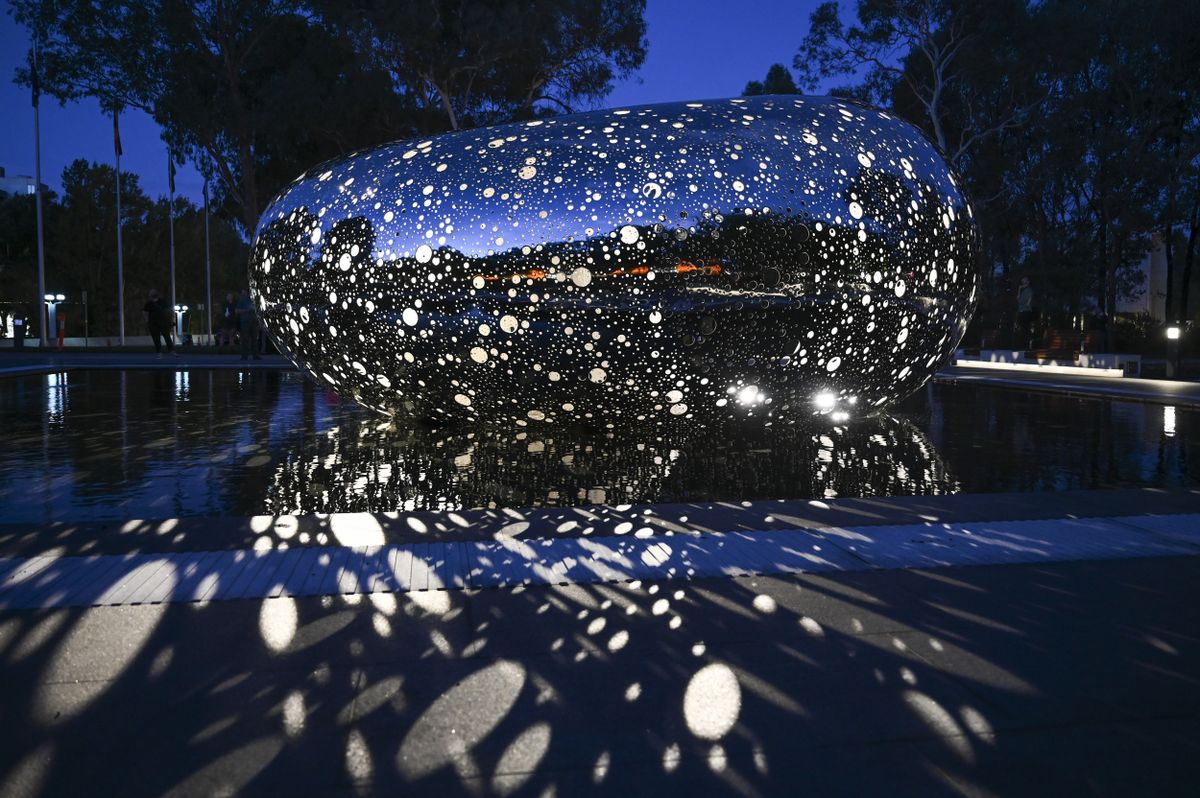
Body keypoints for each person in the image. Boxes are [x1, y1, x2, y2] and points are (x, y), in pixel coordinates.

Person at [143, 289, 177, 358]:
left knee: (166, 337)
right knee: (157, 338)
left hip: (162, 322)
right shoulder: (149, 303)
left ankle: (171, 351)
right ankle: (160, 352)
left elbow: (170, 310)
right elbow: (145, 312)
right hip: (154, 323)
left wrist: (171, 319)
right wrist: (147, 320)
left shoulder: (162, 301)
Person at [236, 288, 261, 361]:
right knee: (245, 339)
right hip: (245, 322)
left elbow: (260, 309)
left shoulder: (256, 300)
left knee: (255, 339)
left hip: (254, 322)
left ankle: (255, 355)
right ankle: (244, 356)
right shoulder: (242, 299)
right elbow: (237, 311)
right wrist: (247, 310)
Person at [1015, 276, 1035, 349]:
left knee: (1025, 328)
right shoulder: (1023, 290)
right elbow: (1018, 299)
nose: (1023, 283)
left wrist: (1023, 303)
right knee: (1021, 328)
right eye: (1022, 281)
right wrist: (1019, 289)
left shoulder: (1029, 290)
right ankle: (1023, 344)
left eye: (1024, 281)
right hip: (1021, 311)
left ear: (1028, 282)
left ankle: (1027, 345)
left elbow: (1025, 302)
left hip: (1026, 312)